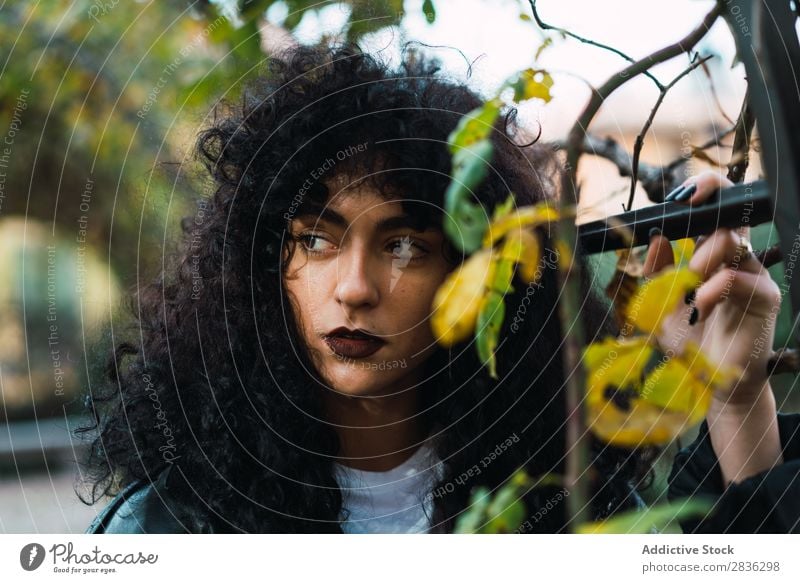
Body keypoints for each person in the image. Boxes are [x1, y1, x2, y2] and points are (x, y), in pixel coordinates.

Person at [78, 42, 799, 534]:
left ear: (476, 277)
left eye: (403, 244)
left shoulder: (564, 504)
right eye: (318, 238)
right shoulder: (172, 527)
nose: (356, 287)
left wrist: (735, 396)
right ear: (267, 262)